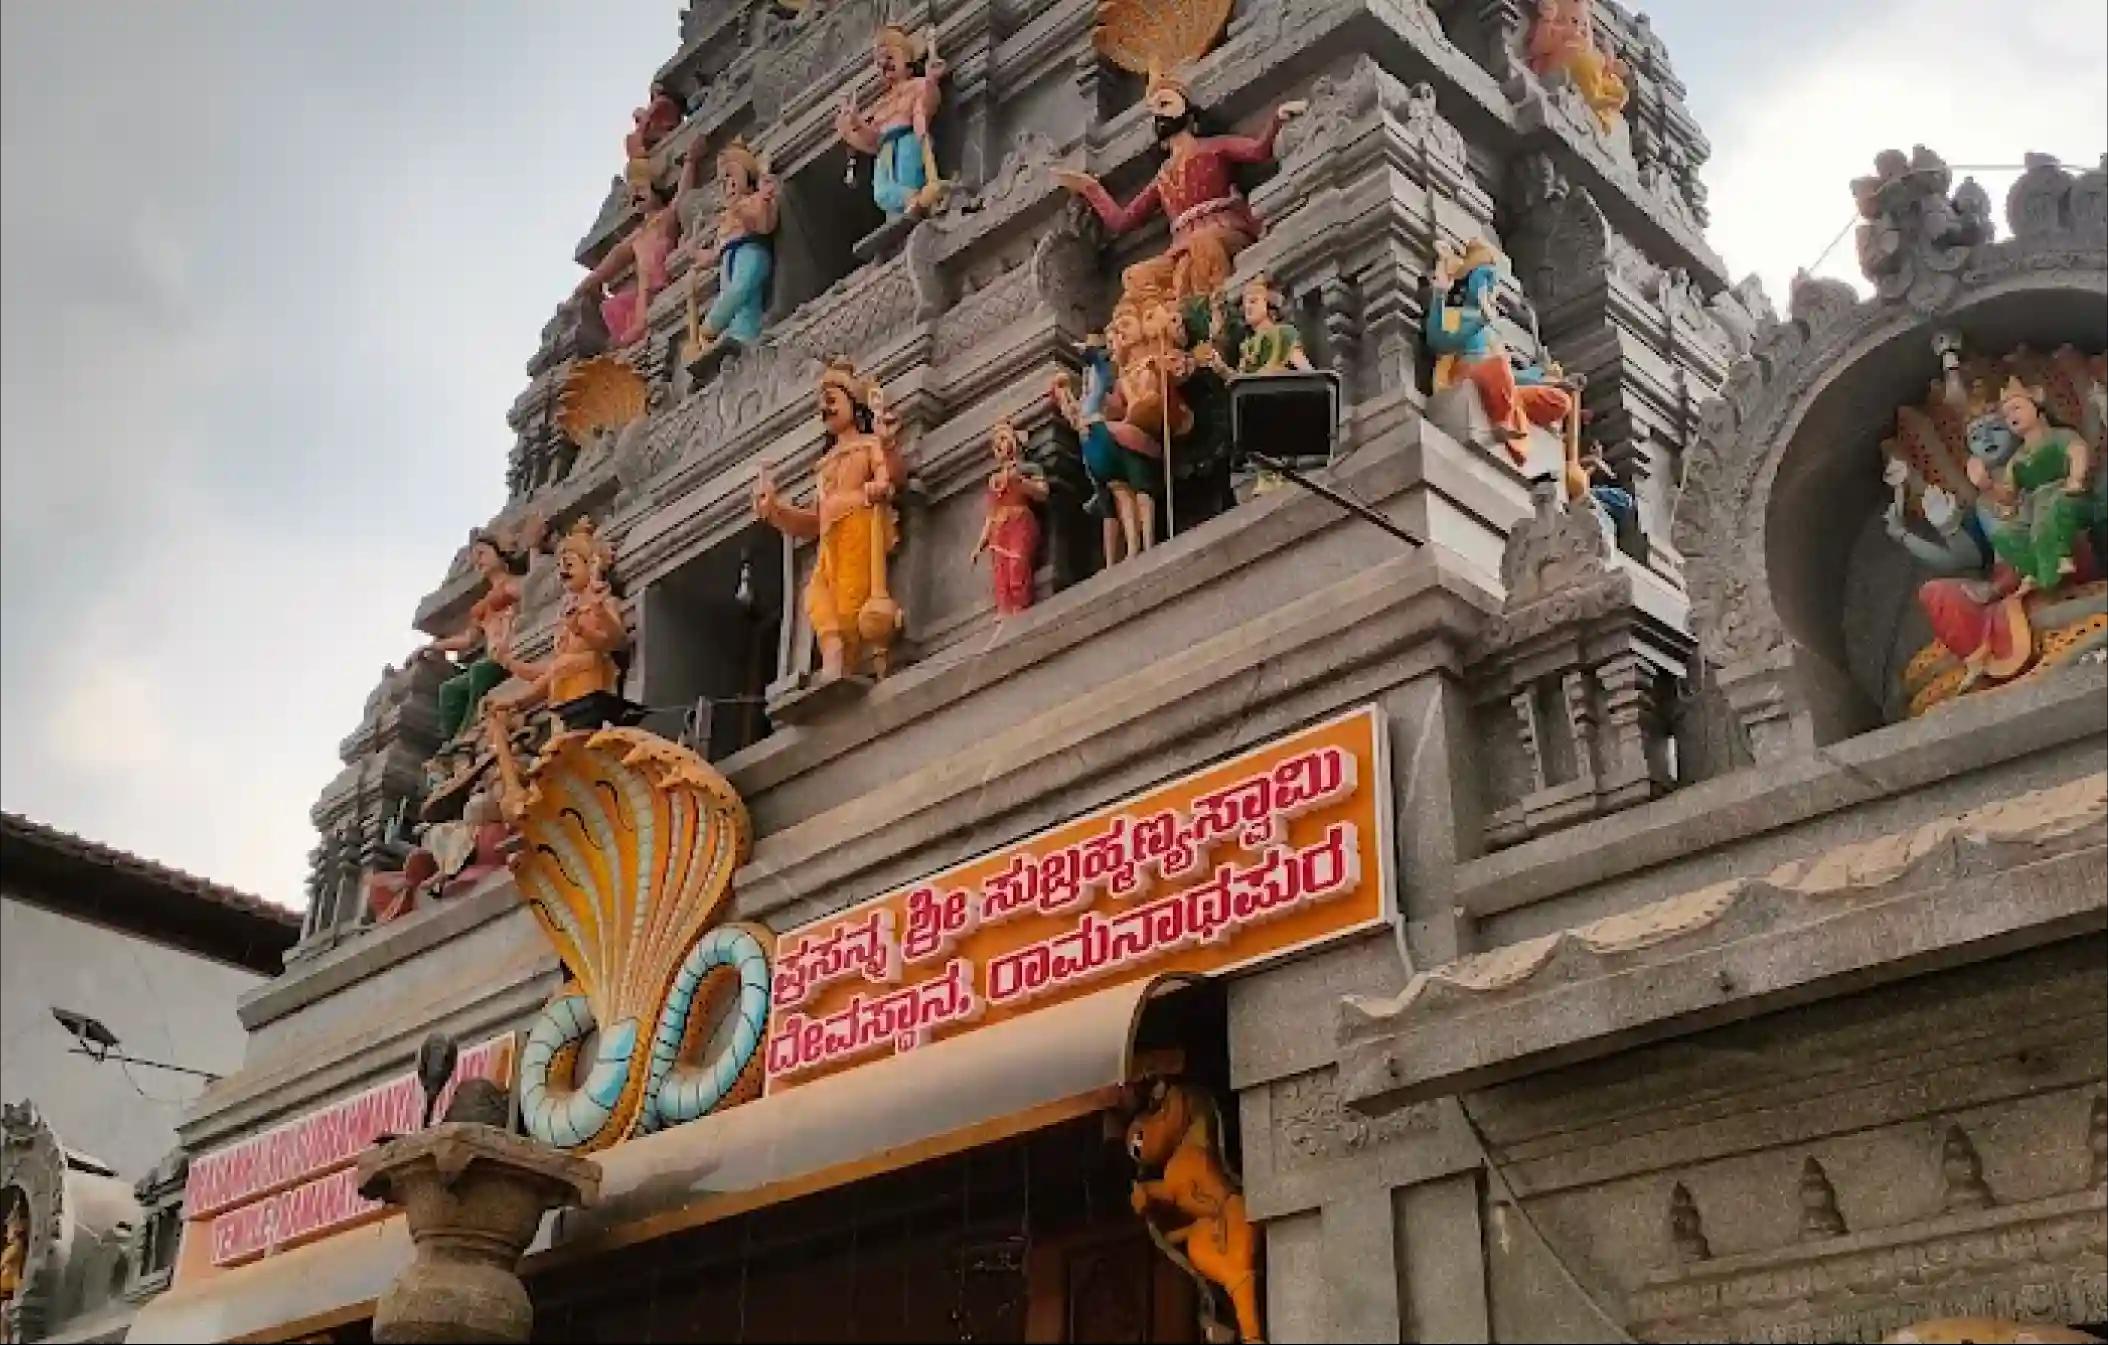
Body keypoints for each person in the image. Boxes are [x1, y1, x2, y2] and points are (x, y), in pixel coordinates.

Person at [1052, 68, 1304, 308]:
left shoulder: (1214, 148)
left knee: (1203, 246)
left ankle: (1217, 319)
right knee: (1136, 276)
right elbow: (1122, 221)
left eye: (1165, 105)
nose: (1160, 116)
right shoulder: (1163, 177)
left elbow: (1258, 151)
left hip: (1221, 231)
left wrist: (1277, 119)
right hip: (1181, 247)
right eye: (1154, 111)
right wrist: (1090, 187)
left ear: (1189, 115)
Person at [754, 361, 904, 681]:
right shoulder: (824, 465)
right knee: (816, 596)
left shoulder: (869, 445)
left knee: (849, 604)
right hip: (829, 540)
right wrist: (776, 510)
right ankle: (833, 654)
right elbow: (813, 519)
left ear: (854, 403)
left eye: (833, 398)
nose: (826, 407)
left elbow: (891, 477)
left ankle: (842, 664)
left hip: (858, 529)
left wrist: (887, 447)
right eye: (822, 403)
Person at [1424, 238, 1575, 463]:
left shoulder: (1493, 332)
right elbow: (1438, 340)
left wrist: (1547, 379)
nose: (1490, 288)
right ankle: (1501, 423)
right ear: (1470, 282)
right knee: (1498, 369)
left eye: (1494, 283)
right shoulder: (1459, 314)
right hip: (1469, 373)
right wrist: (1443, 299)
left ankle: (1507, 415)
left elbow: (1511, 377)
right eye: (1485, 279)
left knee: (1560, 401)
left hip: (1500, 385)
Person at [575, 143, 706, 347]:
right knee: (613, 306)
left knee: (652, 263)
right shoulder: (638, 234)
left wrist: (691, 161)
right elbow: (615, 257)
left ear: (655, 189)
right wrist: (589, 282)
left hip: (660, 272)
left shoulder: (665, 217)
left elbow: (682, 195)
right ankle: (636, 329)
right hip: (643, 283)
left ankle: (640, 326)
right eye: (632, 193)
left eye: (641, 188)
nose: (636, 195)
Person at [492, 517, 627, 713]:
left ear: (591, 566)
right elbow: (550, 671)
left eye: (570, 565)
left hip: (594, 697)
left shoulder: (604, 604)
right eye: (561, 567)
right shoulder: (568, 616)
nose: (563, 572)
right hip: (566, 705)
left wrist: (582, 628)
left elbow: (615, 641)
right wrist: (509, 662)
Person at [419, 532, 526, 741]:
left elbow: (531, 597)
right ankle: (450, 742)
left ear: (500, 553)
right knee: (449, 689)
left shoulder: (515, 584)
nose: (478, 560)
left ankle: (467, 732)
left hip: (512, 652)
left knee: (479, 669)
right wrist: (433, 647)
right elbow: (468, 640)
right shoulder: (483, 605)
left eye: (482, 553)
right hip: (492, 658)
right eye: (475, 557)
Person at [835, 24, 947, 220]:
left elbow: (926, 107)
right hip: (885, 148)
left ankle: (919, 203)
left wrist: (931, 79)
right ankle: (916, 201)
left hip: (908, 139)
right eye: (880, 62)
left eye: (890, 58)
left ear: (906, 58)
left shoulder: (917, 85)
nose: (885, 65)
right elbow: (872, 139)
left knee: (907, 176)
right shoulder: (882, 103)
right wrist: (854, 122)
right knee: (881, 193)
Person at [686, 137, 780, 364]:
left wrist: (757, 204)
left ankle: (709, 329)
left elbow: (764, 225)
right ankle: (741, 341)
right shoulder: (726, 218)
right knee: (743, 309)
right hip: (729, 259)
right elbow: (715, 254)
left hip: (752, 252)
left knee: (739, 292)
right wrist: (694, 253)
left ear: (747, 178)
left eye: (731, 177)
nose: (727, 185)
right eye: (722, 181)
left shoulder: (755, 200)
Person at [970, 420, 1050, 615]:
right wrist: (979, 544)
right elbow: (991, 514)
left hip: (1020, 522)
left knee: (1017, 565)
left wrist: (1022, 483)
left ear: (1014, 442)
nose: (999, 446)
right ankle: (1005, 610)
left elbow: (1043, 493)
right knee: (1001, 572)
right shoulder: (995, 480)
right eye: (995, 444)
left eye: (1003, 439)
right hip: (999, 528)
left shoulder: (1029, 469)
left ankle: (1020, 605)